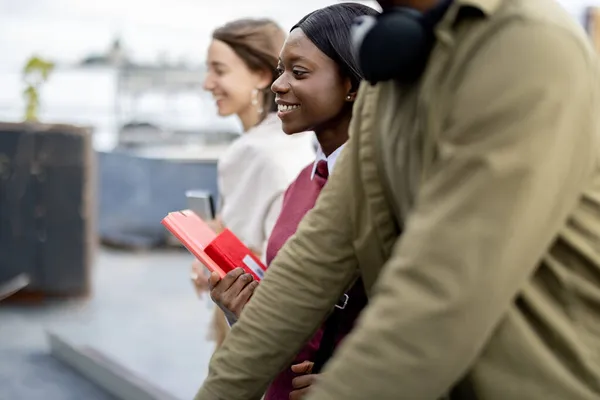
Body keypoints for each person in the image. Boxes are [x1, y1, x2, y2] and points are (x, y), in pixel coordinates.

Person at [196, 0, 600, 399]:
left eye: (298, 72)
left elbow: (439, 294)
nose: (280, 85)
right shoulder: (387, 83)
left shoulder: (529, 46)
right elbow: (310, 266)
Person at [204, 4, 378, 400]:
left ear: (352, 84)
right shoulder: (304, 181)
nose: (278, 85)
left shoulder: (383, 190)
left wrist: (359, 384)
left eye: (298, 73)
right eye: (281, 70)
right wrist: (242, 312)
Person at [190, 18, 315, 347]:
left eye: (219, 70)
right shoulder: (298, 140)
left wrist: (209, 247)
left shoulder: (251, 152)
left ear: (261, 75)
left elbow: (242, 256)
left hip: (252, 321)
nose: (207, 83)